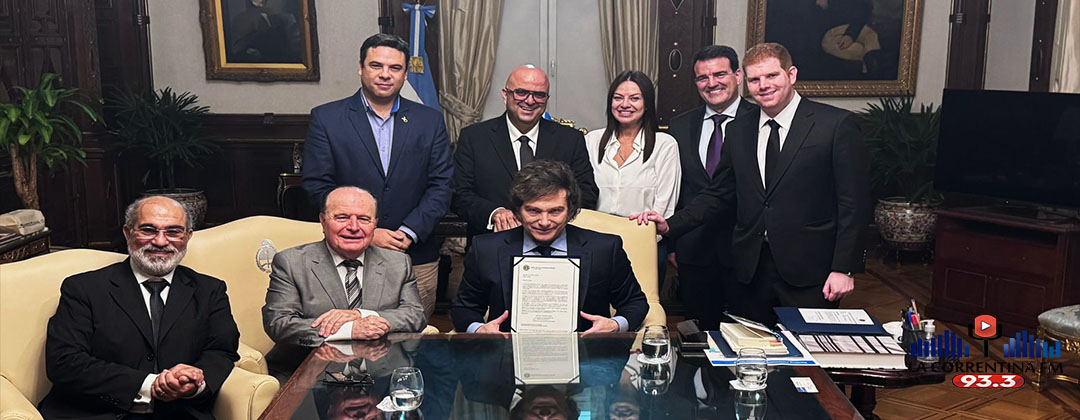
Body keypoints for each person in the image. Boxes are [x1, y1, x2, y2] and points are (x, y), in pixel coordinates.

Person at [632, 42, 871, 325]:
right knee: (750, 348)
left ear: (791, 74)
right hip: (750, 271)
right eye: (755, 79)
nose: (763, 85)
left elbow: (853, 203)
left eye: (772, 76)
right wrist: (670, 225)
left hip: (811, 272)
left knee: (807, 351)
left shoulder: (834, 124)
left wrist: (844, 268)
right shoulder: (739, 129)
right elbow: (718, 193)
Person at [39, 196, 240, 419]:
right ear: (128, 233)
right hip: (97, 413)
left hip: (179, 414)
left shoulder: (210, 291)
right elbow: (64, 362)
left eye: (173, 232)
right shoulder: (83, 289)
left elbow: (221, 351)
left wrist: (194, 383)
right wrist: (149, 384)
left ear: (188, 236)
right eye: (148, 230)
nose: (161, 241)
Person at [302, 33, 452, 319]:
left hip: (415, 254)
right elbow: (317, 185)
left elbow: (442, 185)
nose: (385, 74)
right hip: (348, 253)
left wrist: (408, 232)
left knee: (412, 337)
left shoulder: (429, 120)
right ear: (361, 68)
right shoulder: (327, 118)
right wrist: (368, 232)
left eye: (395, 68)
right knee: (349, 333)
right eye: (376, 65)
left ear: (405, 74)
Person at [451, 160, 648, 333]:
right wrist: (479, 330)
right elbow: (464, 309)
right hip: (506, 353)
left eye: (555, 211)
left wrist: (615, 324)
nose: (544, 222)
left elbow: (635, 303)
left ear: (570, 210)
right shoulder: (486, 250)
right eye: (533, 211)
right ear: (518, 210)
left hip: (587, 354)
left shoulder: (604, 249)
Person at [263, 186, 426, 349]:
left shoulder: (398, 263)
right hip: (309, 360)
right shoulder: (291, 263)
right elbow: (279, 323)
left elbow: (416, 316)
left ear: (375, 224)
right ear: (323, 221)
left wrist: (361, 315)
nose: (354, 227)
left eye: (363, 219)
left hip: (380, 360)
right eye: (342, 217)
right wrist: (349, 330)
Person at [667, 45, 759, 330]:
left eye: (720, 74)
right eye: (702, 77)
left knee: (748, 334)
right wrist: (673, 243)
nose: (711, 83)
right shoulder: (680, 126)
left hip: (747, 251)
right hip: (694, 250)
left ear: (738, 76)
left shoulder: (760, 120)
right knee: (698, 335)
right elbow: (676, 190)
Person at [452, 65, 599, 237]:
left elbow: (587, 193)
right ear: (505, 95)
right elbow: (459, 194)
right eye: (521, 92)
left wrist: (551, 216)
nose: (530, 101)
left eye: (539, 95)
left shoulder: (570, 139)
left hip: (554, 242)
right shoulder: (474, 137)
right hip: (492, 242)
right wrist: (494, 213)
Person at [584, 70, 681, 287]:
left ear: (647, 105)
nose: (625, 104)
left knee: (643, 304)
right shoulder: (592, 140)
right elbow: (583, 195)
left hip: (644, 245)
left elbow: (664, 207)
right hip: (596, 245)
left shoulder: (665, 145)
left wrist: (642, 238)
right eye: (618, 98)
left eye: (635, 98)